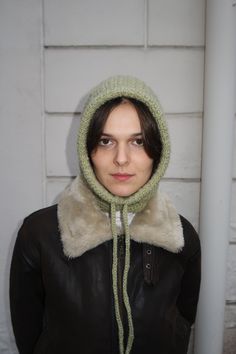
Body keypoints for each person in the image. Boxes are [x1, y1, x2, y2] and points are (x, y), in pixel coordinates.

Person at [10, 75, 201, 354]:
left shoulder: (181, 237)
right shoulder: (39, 234)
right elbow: (30, 334)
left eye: (137, 141)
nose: (121, 159)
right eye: (105, 141)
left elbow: (182, 324)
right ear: (88, 151)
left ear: (157, 152)